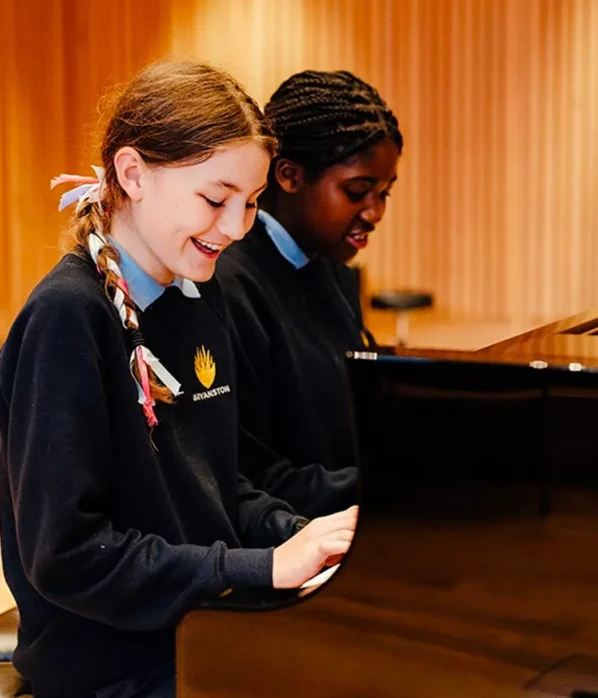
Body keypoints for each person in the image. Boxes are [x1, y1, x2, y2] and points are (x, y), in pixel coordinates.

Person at [0, 61, 357, 698]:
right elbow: (68, 555)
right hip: (116, 669)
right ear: (133, 174)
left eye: (249, 204)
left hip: (203, 631)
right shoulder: (68, 317)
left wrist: (302, 533)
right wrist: (261, 565)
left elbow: (216, 487)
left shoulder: (195, 297)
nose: (235, 227)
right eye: (215, 199)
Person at [216, 69, 403, 519]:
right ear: (289, 175)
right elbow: (248, 473)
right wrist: (391, 486)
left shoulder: (332, 269)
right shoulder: (227, 285)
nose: (375, 212)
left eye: (384, 193)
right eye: (357, 191)